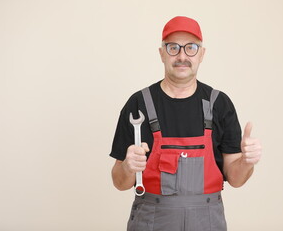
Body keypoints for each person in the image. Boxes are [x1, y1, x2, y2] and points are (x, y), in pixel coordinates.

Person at [110, 16, 262, 231]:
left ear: (202, 54)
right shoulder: (138, 104)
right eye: (173, 48)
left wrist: (247, 161)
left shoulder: (219, 104)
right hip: (151, 220)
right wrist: (127, 167)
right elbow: (119, 182)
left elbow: (236, 179)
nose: (182, 56)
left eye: (191, 48)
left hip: (207, 221)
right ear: (162, 53)